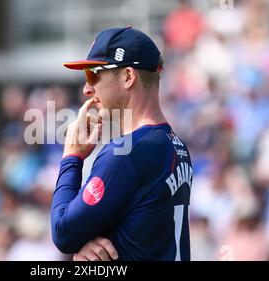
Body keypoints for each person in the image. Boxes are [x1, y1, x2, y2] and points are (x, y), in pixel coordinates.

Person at [50, 27, 193, 261]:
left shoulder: (127, 152)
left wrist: (71, 158)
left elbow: (63, 232)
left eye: (93, 74)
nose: (86, 88)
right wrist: (88, 244)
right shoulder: (176, 145)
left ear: (128, 77)